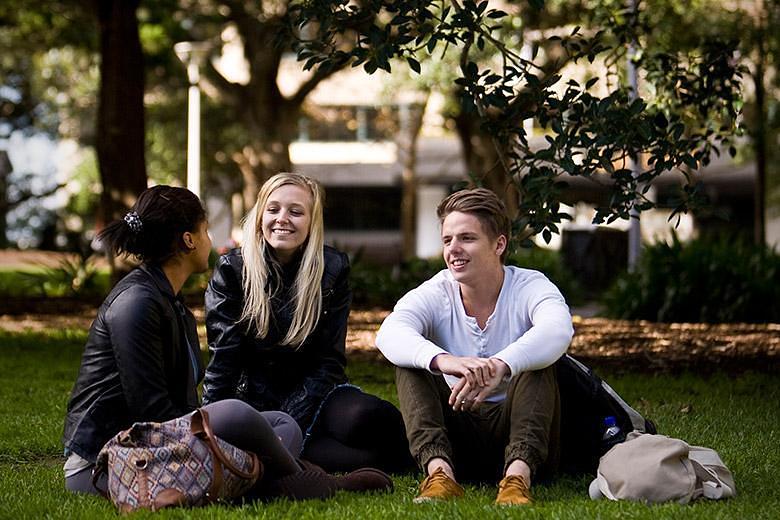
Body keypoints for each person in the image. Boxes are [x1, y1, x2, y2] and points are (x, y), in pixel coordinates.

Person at [62, 185, 391, 499]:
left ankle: (276, 476)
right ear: (189, 240)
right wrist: (212, 434)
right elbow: (150, 412)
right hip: (113, 460)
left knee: (282, 425)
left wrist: (215, 435)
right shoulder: (136, 304)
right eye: (206, 231)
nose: (210, 240)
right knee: (238, 414)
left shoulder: (168, 301)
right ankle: (311, 482)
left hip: (160, 441)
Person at [375, 188, 574, 505]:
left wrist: (501, 366)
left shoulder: (530, 285)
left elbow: (558, 330)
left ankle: (516, 480)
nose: (453, 249)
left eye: (467, 238)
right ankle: (440, 476)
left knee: (540, 363)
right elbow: (389, 333)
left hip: (522, 434)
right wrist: (444, 360)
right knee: (411, 363)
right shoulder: (437, 290)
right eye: (447, 240)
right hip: (457, 436)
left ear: (499, 244)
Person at [203, 172, 412, 473]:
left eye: (296, 211)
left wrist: (291, 422)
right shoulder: (232, 270)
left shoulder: (333, 268)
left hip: (318, 395)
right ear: (260, 216)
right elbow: (224, 359)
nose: (282, 218)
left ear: (312, 221)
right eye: (273, 209)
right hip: (254, 401)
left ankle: (296, 450)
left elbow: (329, 362)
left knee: (369, 415)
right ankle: (300, 455)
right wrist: (210, 425)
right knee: (362, 458)